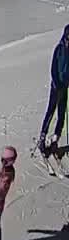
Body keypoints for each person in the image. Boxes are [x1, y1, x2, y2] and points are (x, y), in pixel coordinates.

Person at [42, 26, 69, 157]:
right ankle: (43, 139)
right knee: (50, 112)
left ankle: (55, 140)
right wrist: (58, 84)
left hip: (64, 88)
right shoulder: (59, 49)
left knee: (61, 115)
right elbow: (53, 69)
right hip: (56, 88)